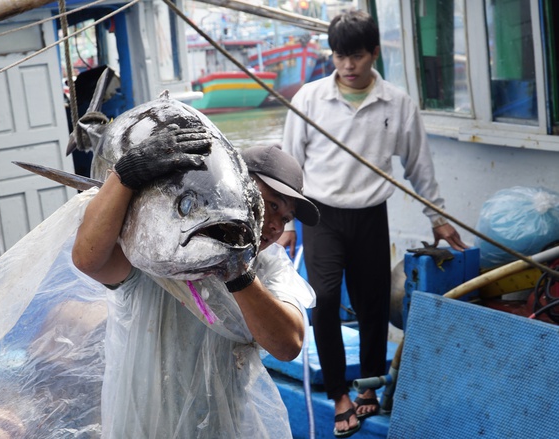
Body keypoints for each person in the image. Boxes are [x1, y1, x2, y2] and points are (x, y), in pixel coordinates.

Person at [280, 9, 468, 438]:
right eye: (340, 56)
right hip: (321, 215)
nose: (348, 66)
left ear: (375, 53)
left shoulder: (396, 103)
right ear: (332, 55)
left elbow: (419, 166)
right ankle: (338, 395)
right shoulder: (309, 99)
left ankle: (367, 387)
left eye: (358, 56)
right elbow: (291, 162)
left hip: (370, 215)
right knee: (325, 299)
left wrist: (438, 218)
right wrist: (287, 222)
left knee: (373, 303)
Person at [71, 134, 320, 437]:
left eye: (286, 218)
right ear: (237, 189)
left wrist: (238, 273)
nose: (276, 226)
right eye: (272, 205)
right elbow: (88, 260)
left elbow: (288, 344)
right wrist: (124, 177)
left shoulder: (270, 267)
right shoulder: (163, 244)